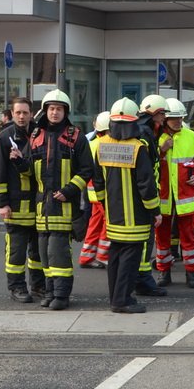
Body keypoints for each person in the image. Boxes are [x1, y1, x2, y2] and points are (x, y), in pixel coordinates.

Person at [92, 98, 162, 314]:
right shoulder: (138, 148)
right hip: (137, 219)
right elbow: (146, 186)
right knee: (130, 261)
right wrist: (155, 211)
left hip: (113, 217)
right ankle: (123, 301)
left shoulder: (101, 146)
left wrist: (106, 206)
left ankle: (115, 297)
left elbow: (98, 183)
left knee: (114, 257)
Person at [28, 89, 93, 310]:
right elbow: (30, 170)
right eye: (51, 108)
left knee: (59, 255)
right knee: (45, 256)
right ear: (45, 111)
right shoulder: (36, 136)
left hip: (64, 207)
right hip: (42, 208)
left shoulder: (76, 136)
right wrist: (18, 162)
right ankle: (49, 292)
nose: (54, 113)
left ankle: (62, 296)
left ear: (66, 112)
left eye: (59, 109)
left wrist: (69, 190)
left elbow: (86, 171)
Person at [0, 97, 45, 303]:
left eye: (25, 112)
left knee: (37, 252)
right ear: (12, 114)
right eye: (18, 113)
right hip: (15, 207)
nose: (22, 116)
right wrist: (2, 204)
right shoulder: (5, 138)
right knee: (16, 252)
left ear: (31, 114)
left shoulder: (39, 134)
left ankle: (38, 285)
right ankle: (16, 287)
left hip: (38, 206)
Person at [154, 98, 194, 288]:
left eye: (180, 118)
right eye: (174, 119)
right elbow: (146, 161)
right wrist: (161, 151)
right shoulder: (156, 137)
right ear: (164, 119)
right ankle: (164, 272)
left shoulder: (190, 136)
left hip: (185, 198)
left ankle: (192, 273)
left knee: (188, 236)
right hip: (163, 199)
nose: (178, 122)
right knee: (162, 238)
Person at [132, 94, 170, 298]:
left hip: (141, 197)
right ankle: (143, 281)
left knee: (145, 242)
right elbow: (146, 174)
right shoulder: (145, 134)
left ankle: (141, 279)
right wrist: (153, 208)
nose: (164, 118)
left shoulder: (145, 131)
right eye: (162, 113)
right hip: (144, 199)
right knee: (145, 242)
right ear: (154, 113)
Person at [78, 111, 111, 270]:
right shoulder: (106, 144)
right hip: (103, 192)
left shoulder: (91, 143)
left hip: (92, 192)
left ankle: (87, 256)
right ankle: (103, 255)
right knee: (108, 223)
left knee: (95, 223)